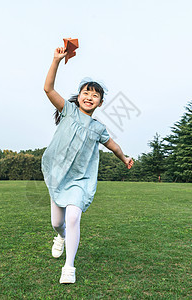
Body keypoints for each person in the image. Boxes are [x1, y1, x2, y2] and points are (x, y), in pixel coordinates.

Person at [42, 46, 134, 284]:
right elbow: (48, 89)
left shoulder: (98, 128)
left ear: (100, 103)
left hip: (80, 180)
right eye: (86, 92)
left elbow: (112, 145)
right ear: (79, 95)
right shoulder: (68, 111)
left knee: (73, 217)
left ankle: (69, 267)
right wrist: (55, 60)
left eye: (95, 95)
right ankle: (60, 237)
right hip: (59, 175)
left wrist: (124, 158)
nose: (89, 97)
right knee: (57, 223)